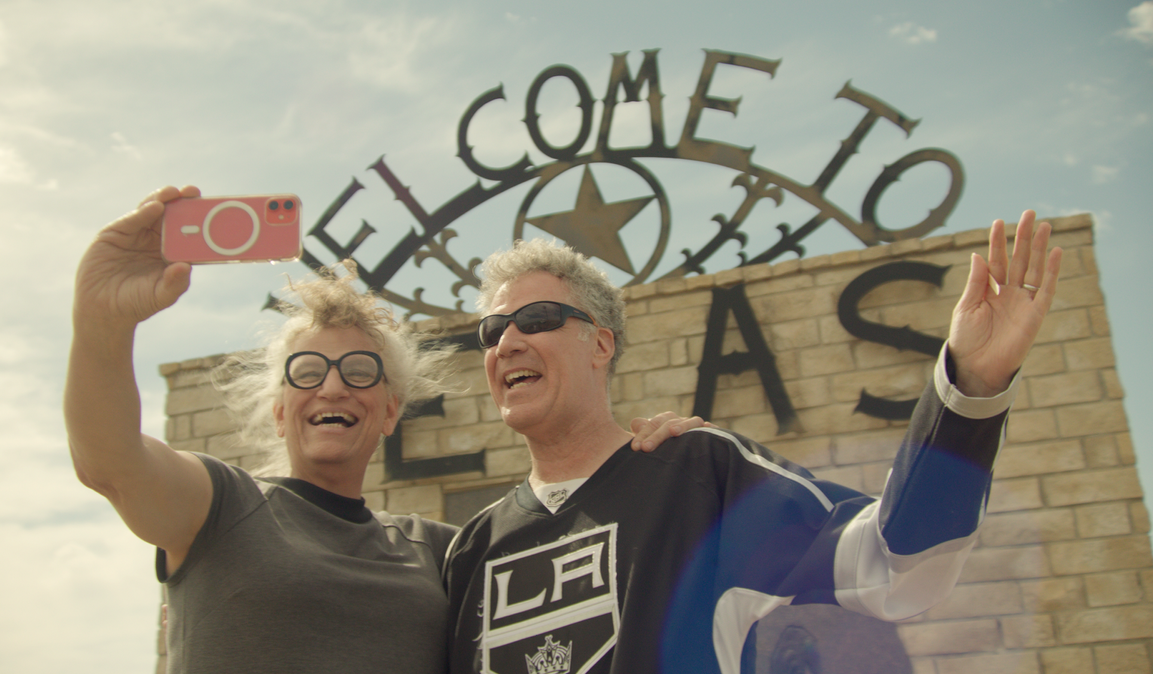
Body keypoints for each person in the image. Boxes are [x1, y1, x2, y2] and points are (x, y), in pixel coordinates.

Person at [64, 186, 697, 673]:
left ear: (390, 410)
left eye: (359, 371)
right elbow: (109, 460)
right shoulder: (219, 506)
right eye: (308, 371)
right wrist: (102, 324)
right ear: (281, 409)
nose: (333, 387)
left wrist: (652, 456)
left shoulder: (448, 551)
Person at [442, 210, 1062, 674]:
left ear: (601, 344)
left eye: (539, 320)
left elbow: (895, 565)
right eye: (492, 330)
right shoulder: (472, 549)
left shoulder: (700, 478)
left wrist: (970, 389)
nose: (508, 343)